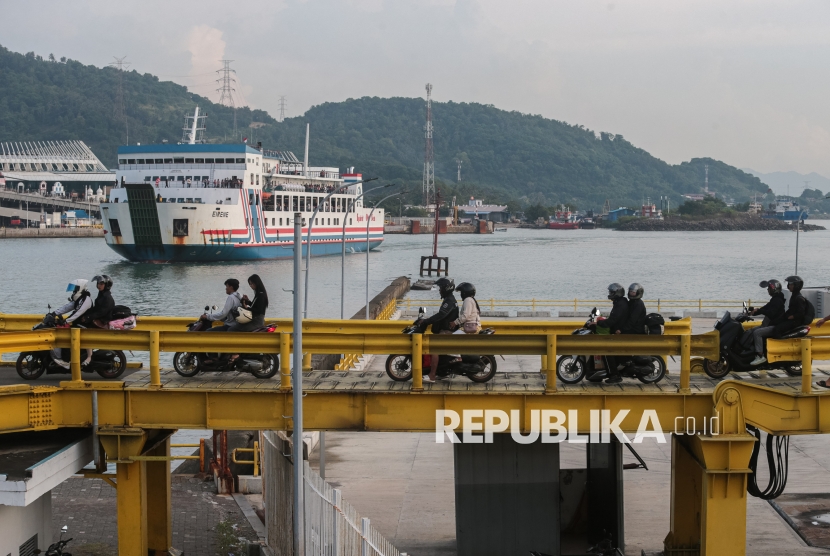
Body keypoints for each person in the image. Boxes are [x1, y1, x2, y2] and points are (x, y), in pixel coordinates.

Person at [418, 277, 459, 383]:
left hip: (446, 331)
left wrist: (427, 321)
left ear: (446, 288)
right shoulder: (449, 299)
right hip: (446, 330)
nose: (440, 290)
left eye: (441, 288)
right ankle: (442, 371)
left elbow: (441, 314)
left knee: (434, 349)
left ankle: (432, 375)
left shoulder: (449, 301)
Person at [50, 279, 93, 368]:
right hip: (78, 324)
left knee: (66, 337)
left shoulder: (86, 299)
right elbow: (67, 307)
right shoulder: (79, 299)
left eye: (75, 289)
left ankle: (67, 360)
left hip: (84, 326)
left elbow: (78, 313)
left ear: (80, 288)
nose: (73, 291)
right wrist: (54, 313)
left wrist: (66, 321)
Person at [746, 279, 786, 366]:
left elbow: (771, 313)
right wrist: (753, 312)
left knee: (757, 333)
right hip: (771, 325)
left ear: (774, 289)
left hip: (775, 326)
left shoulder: (777, 301)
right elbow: (765, 308)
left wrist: (761, 311)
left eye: (769, 288)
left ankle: (760, 355)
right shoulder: (775, 299)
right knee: (751, 331)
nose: (768, 290)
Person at [597, 283, 629, 384]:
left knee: (607, 351)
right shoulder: (620, 302)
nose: (610, 294)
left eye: (612, 292)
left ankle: (614, 375)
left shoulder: (620, 304)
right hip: (618, 332)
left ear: (617, 293)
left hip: (620, 334)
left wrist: (598, 323)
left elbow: (612, 321)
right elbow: (614, 319)